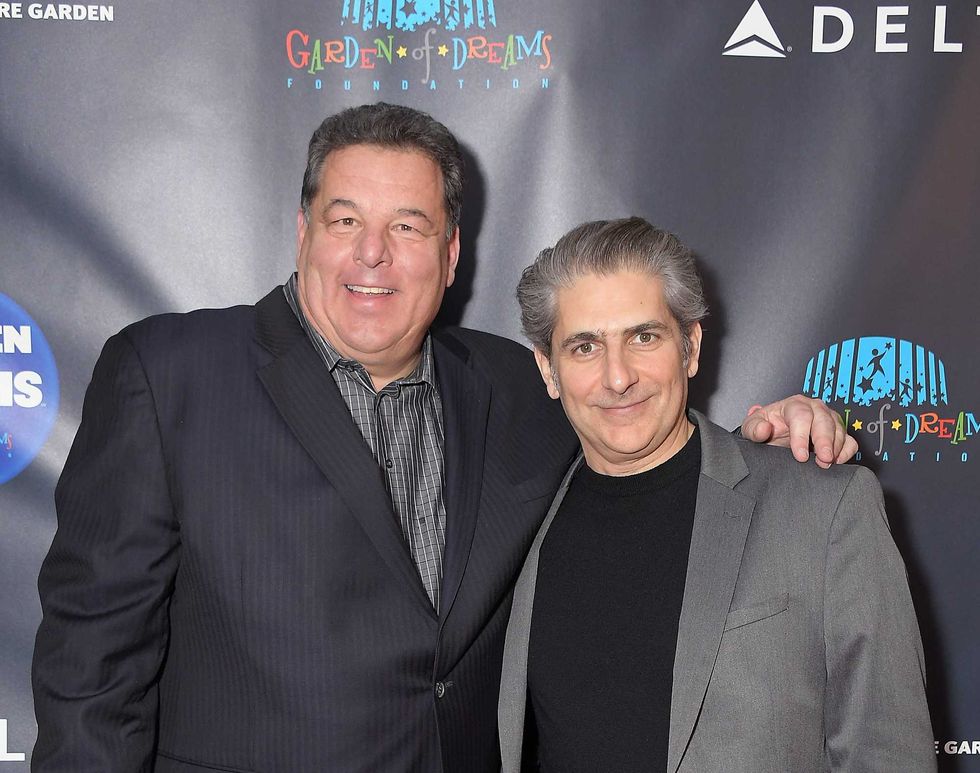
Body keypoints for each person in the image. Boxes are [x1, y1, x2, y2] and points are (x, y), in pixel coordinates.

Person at [32, 103, 853, 772]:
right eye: (345, 218)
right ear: (303, 231)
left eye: (410, 227)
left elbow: (636, 423)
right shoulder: (169, 374)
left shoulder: (514, 383)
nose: (373, 255)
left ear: (452, 252)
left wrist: (767, 433)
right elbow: (92, 669)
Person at [498, 217, 934, 773]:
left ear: (691, 346)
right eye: (585, 346)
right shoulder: (515, 521)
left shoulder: (822, 506)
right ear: (548, 368)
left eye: (644, 337)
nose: (617, 377)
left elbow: (890, 754)